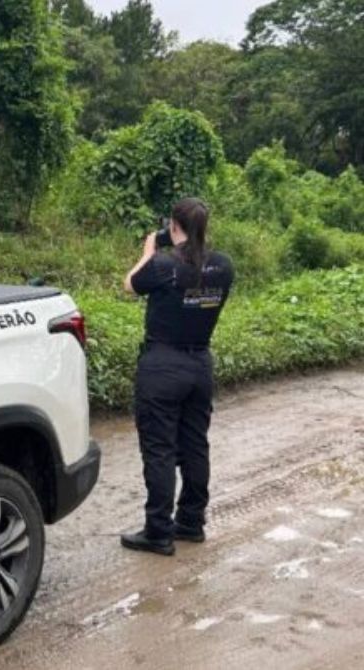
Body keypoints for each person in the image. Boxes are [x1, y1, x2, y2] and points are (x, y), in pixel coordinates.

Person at [120, 198, 235, 556]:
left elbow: (130, 285)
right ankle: (191, 522)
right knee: (195, 445)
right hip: (200, 364)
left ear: (173, 225)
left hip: (162, 366)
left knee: (160, 450)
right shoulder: (223, 266)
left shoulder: (164, 265)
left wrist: (148, 251)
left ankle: (158, 531)